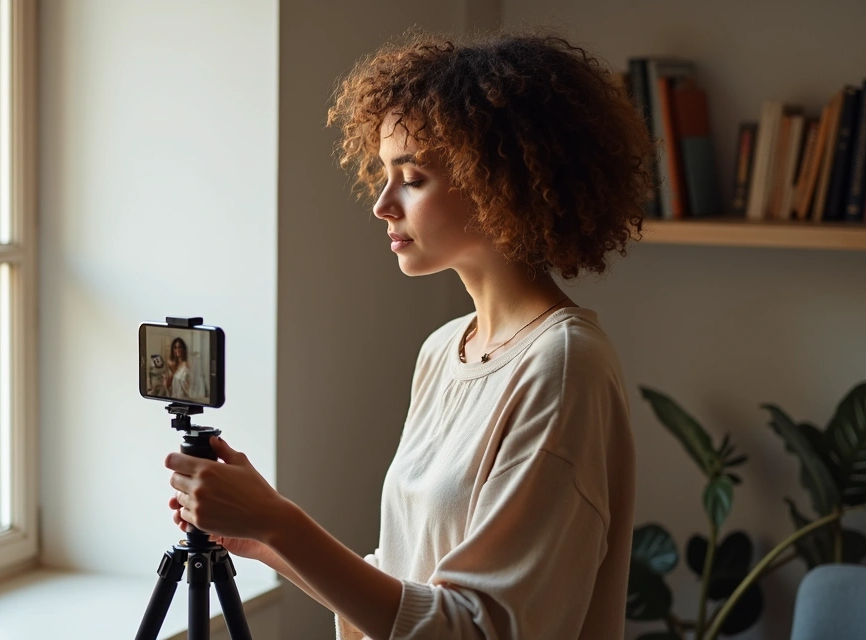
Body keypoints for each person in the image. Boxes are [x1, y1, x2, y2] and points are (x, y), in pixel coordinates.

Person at [165, 29, 651, 640]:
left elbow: (478, 630)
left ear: (501, 184)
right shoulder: (444, 350)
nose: (382, 204)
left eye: (413, 177)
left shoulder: (561, 366)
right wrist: (262, 535)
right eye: (384, 174)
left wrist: (281, 522)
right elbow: (410, 585)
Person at [162, 337, 205, 401]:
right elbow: (170, 384)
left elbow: (190, 384)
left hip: (185, 398)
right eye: (175, 348)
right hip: (175, 397)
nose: (177, 350)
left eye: (180, 347)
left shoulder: (187, 365)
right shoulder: (174, 365)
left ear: (183, 349)